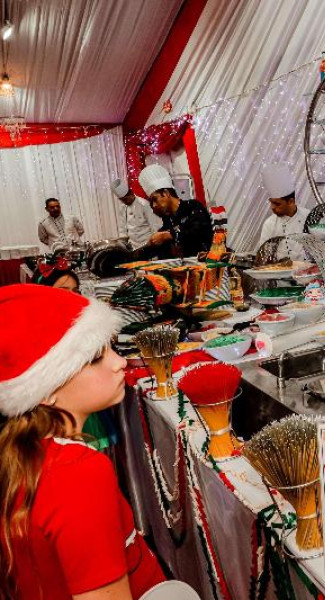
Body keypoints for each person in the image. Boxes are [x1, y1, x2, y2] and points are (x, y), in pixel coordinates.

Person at [0, 284, 166, 599]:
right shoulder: (79, 474)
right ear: (46, 391)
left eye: (111, 348)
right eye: (94, 359)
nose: (119, 362)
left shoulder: (25, 457)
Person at [138, 164, 213, 258]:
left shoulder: (193, 206)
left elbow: (198, 232)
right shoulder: (168, 219)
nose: (154, 205)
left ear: (166, 193)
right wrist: (150, 245)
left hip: (205, 262)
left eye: (155, 199)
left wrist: (168, 235)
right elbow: (164, 244)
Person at [257, 163, 309, 260]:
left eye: (277, 204)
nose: (272, 207)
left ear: (291, 202)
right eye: (271, 202)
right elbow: (264, 255)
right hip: (279, 269)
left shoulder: (308, 217)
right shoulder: (269, 224)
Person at [111, 178, 162, 248]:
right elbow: (123, 230)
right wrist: (123, 245)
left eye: (126, 199)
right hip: (133, 247)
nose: (125, 202)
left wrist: (154, 244)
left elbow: (155, 226)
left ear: (131, 193)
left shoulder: (144, 204)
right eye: (122, 200)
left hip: (148, 245)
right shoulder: (123, 208)